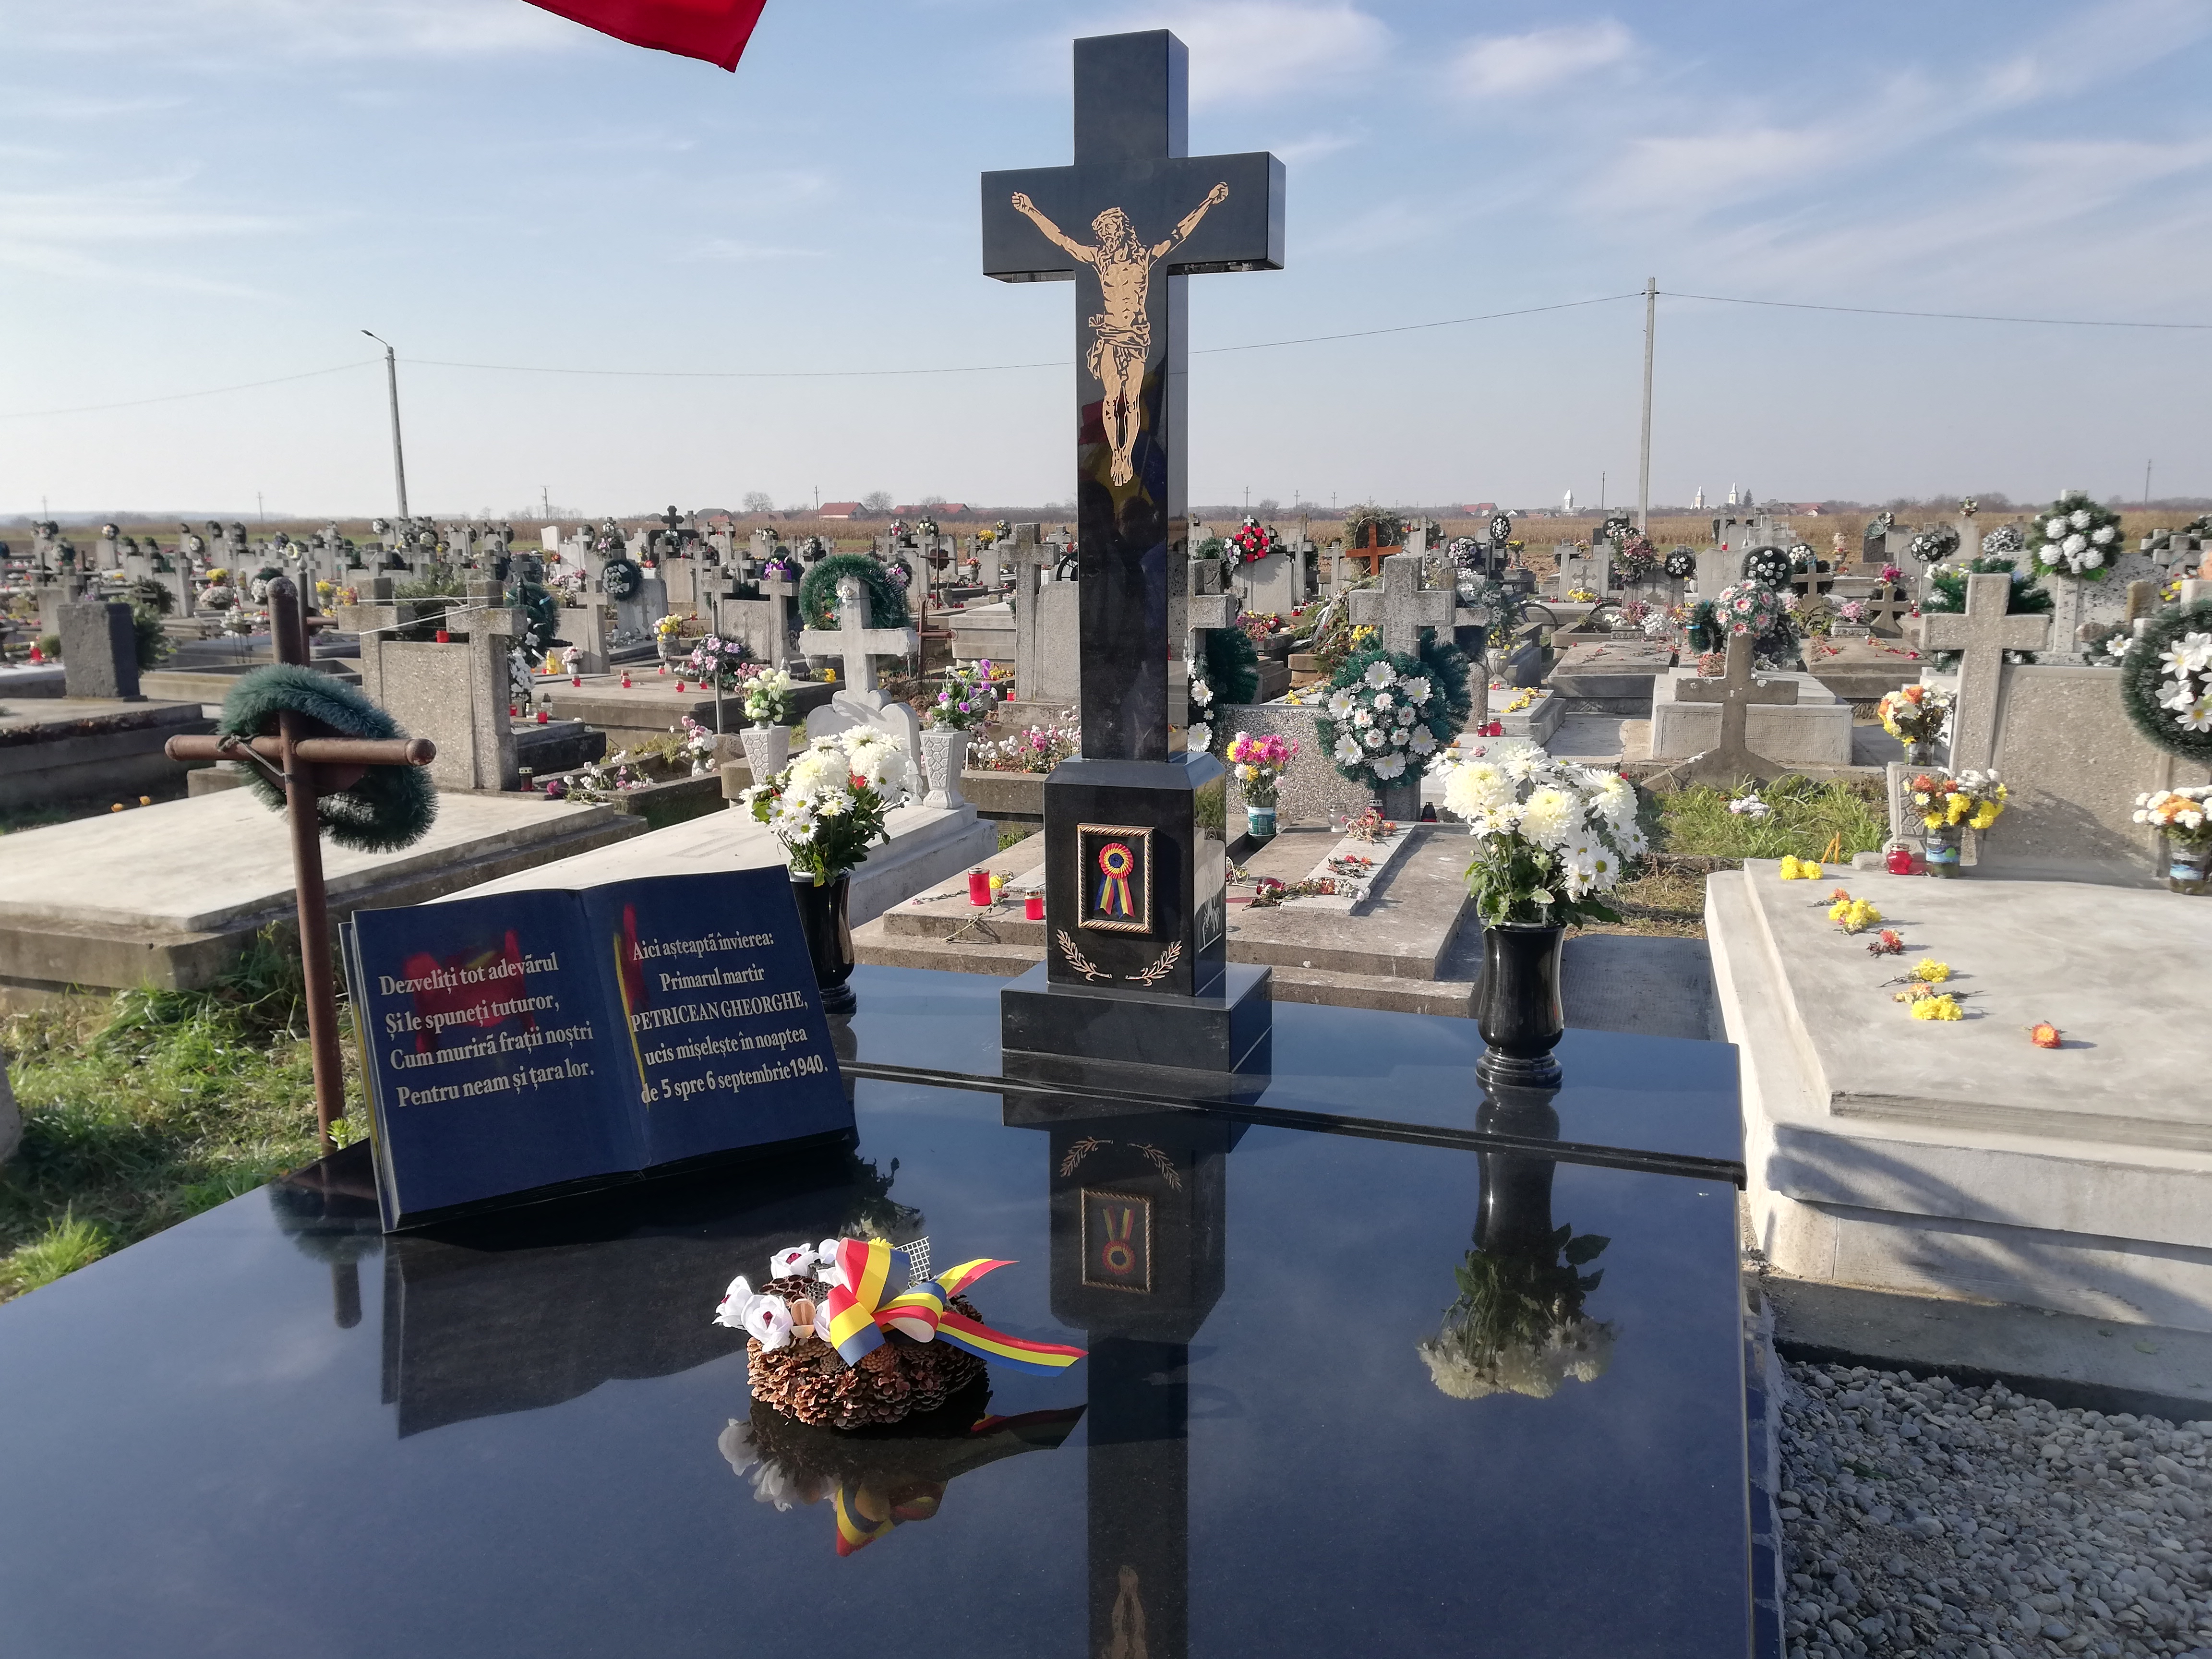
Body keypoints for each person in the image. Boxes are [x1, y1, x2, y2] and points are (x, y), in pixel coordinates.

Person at [1009, 182, 1230, 487]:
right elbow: (1062, 240)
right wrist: (1030, 210)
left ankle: (1128, 452)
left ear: (1122, 229)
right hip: (1110, 335)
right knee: (1111, 399)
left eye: (1109, 230)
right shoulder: (1100, 259)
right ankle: (1118, 455)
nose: (1105, 236)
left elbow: (1179, 234)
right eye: (1102, 233)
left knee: (1132, 399)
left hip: (1136, 336)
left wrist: (1208, 202)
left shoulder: (1144, 257)